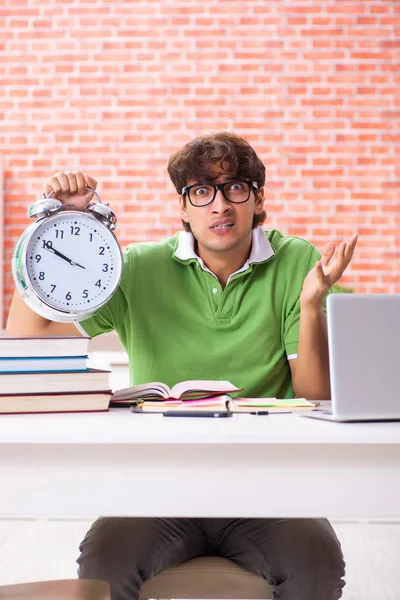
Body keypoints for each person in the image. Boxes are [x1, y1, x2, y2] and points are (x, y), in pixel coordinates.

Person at [6, 132, 357, 600]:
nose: (220, 205)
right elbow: (31, 336)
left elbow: (315, 395)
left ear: (258, 199)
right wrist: (61, 222)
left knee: (316, 562)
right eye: (201, 191)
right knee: (104, 561)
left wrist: (312, 305)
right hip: (159, 485)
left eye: (235, 188)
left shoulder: (297, 262)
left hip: (267, 485)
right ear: (184, 206)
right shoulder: (137, 267)